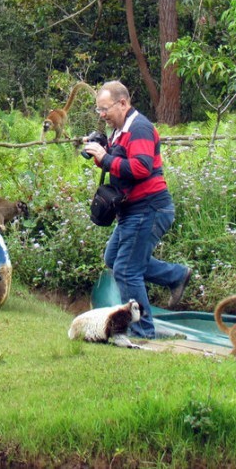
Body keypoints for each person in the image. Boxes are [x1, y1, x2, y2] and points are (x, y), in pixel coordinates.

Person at [82, 80, 191, 338]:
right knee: (113, 259)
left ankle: (143, 331)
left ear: (123, 103)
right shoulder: (120, 130)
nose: (102, 115)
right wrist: (99, 154)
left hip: (149, 208)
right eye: (99, 110)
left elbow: (141, 168)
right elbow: (120, 164)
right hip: (133, 209)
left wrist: (106, 157)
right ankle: (176, 275)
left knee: (127, 269)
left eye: (104, 109)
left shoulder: (139, 127)